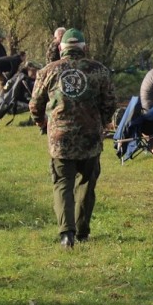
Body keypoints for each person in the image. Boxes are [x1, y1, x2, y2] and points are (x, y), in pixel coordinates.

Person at [29, 28, 117, 249]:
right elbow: (110, 104)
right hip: (90, 139)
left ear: (61, 48)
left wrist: (41, 122)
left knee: (62, 185)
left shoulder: (48, 71)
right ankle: (83, 231)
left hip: (61, 139)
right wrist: (102, 122)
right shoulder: (100, 70)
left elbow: (35, 105)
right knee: (87, 184)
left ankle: (66, 234)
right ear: (84, 48)